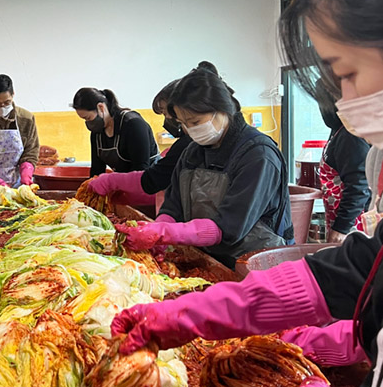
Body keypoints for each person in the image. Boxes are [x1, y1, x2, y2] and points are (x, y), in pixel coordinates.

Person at [112, 0, 383, 387]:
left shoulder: (257, 152)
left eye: (346, 71)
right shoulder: (194, 147)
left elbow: (232, 226)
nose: (344, 100)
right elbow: (355, 270)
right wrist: (191, 313)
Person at [116, 67, 293, 268]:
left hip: (256, 263)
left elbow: (228, 228)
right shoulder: (193, 152)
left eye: (195, 121)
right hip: (210, 258)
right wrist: (159, 230)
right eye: (184, 123)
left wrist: (164, 233)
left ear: (222, 110)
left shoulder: (258, 155)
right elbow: (173, 206)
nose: (190, 130)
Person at [86, 72, 195, 205]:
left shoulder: (132, 123)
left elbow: (151, 178)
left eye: (168, 113)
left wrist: (112, 181)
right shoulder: (183, 144)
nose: (168, 119)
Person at [315, 79, 371, 243]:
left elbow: (359, 187)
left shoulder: (350, 136)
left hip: (353, 226)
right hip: (338, 219)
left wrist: (341, 228)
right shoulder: (337, 130)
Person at [72, 87, 158, 176]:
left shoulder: (133, 124)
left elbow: (140, 169)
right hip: (125, 180)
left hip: (150, 179)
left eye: (88, 118)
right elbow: (97, 170)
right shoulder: (97, 133)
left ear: (101, 107)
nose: (88, 122)